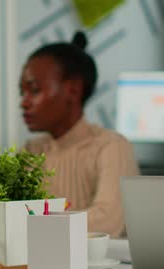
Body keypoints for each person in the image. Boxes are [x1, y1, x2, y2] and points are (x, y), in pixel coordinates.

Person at [20, 31, 140, 238]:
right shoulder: (31, 150)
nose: (24, 102)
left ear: (73, 90)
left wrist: (31, 227)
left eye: (35, 90)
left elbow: (107, 222)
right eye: (22, 93)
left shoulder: (111, 146)